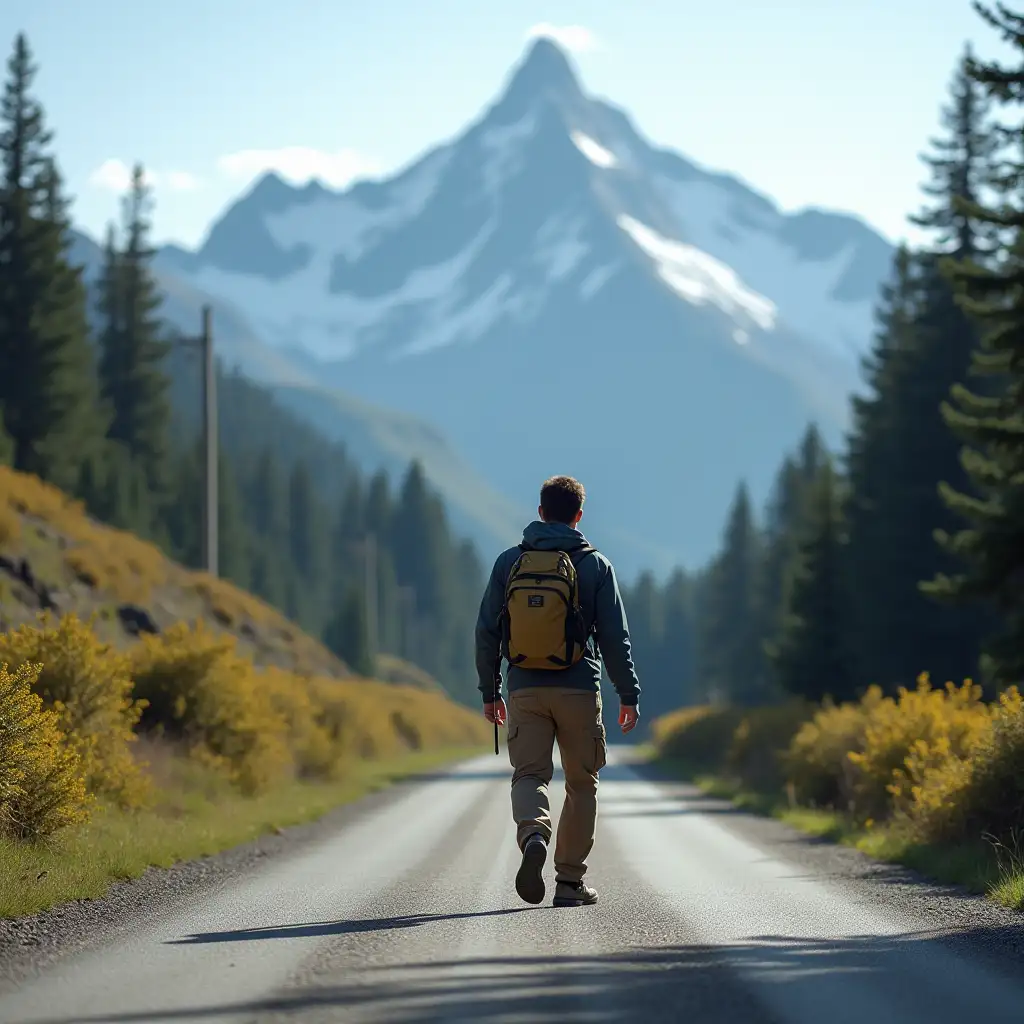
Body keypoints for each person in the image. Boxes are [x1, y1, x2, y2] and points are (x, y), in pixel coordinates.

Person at [475, 475, 640, 908]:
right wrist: (629, 694)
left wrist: (491, 691)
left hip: (525, 688)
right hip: (579, 690)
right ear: (579, 516)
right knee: (582, 784)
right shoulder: (596, 565)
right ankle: (569, 882)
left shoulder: (510, 562)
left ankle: (533, 832)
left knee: (529, 775)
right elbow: (614, 638)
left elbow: (487, 631)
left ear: (541, 512)